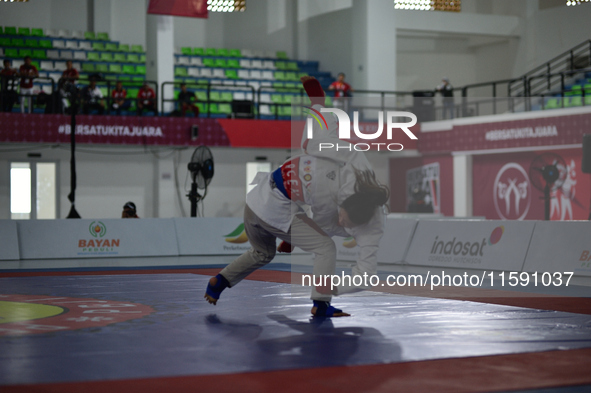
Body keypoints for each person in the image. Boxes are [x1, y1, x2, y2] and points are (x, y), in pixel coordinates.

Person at [204, 76, 389, 318]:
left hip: (255, 203)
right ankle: (320, 305)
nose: (342, 223)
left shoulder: (371, 227)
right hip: (274, 207)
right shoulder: (348, 172)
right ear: (344, 201)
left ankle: (220, 281)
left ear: (362, 225)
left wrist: (336, 287)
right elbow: (322, 223)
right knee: (326, 247)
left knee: (263, 253)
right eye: (343, 217)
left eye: (348, 225)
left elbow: (367, 273)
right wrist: (318, 108)